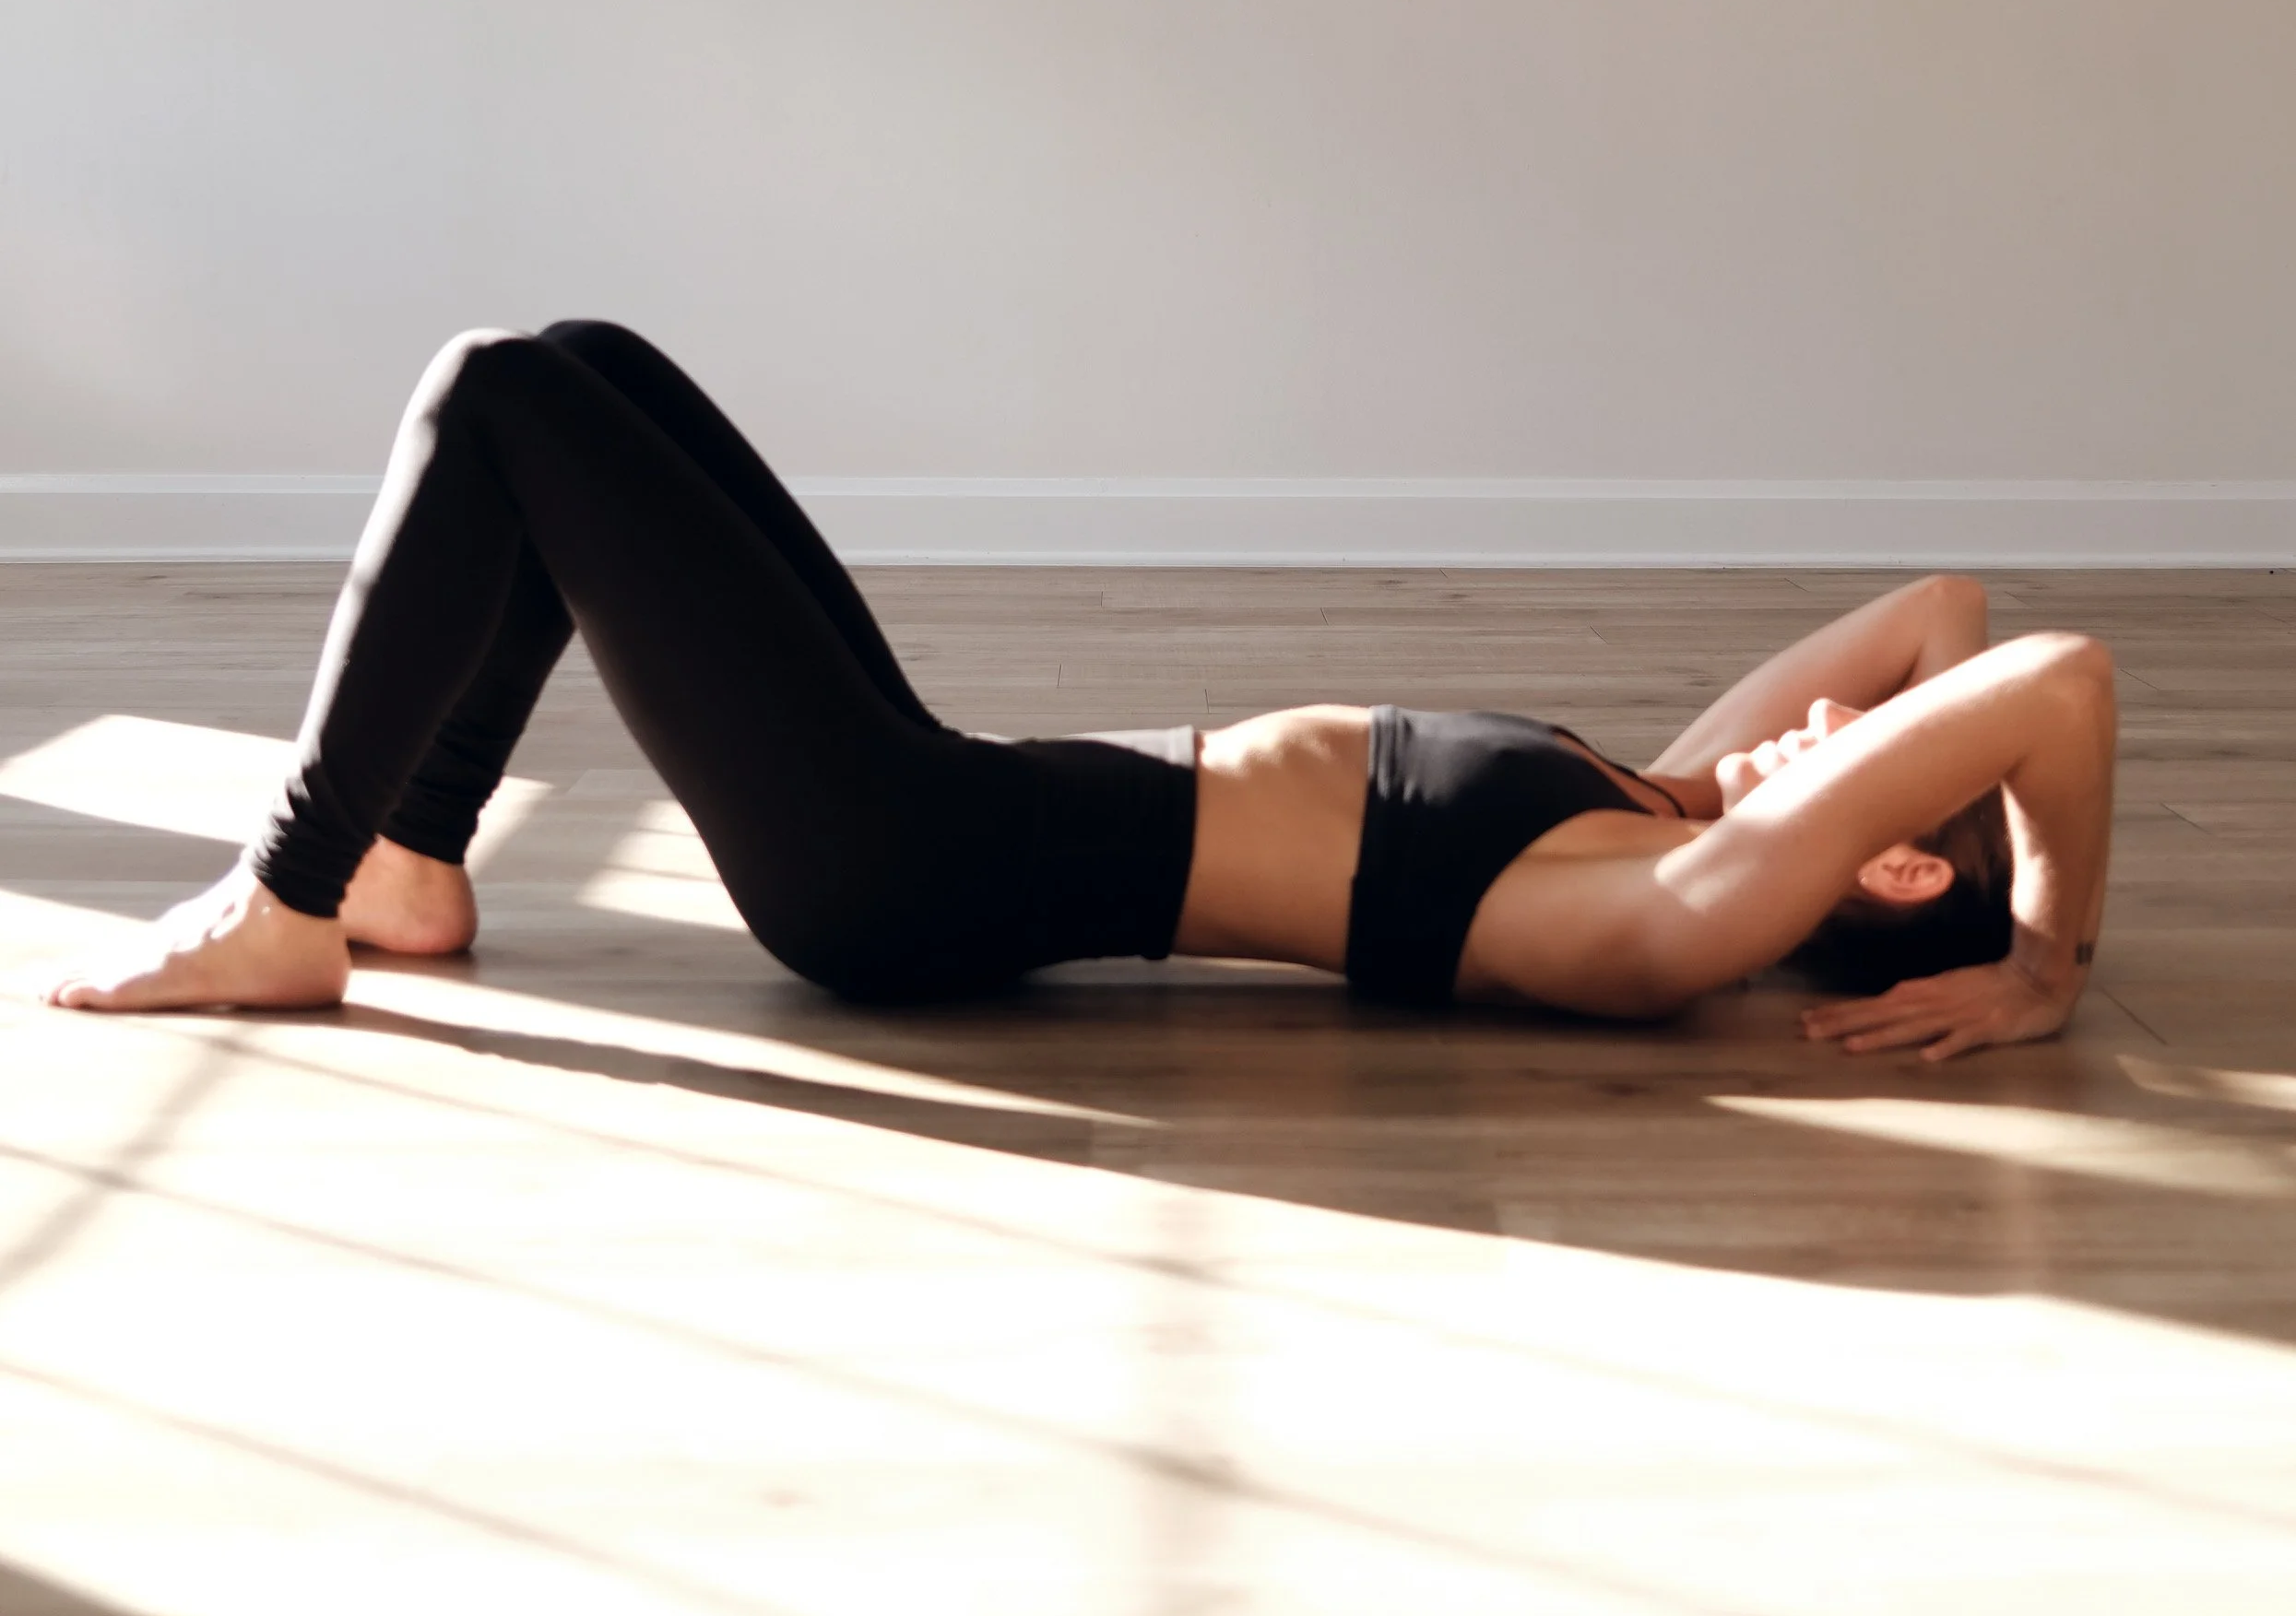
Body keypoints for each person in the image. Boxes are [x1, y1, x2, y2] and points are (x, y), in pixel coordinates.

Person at [41, 322, 2115, 1064]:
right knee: (593, 361)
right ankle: (407, 865)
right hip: (941, 792)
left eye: (1849, 763)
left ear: (1892, 874)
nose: (1818, 717)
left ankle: (288, 900)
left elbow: (2054, 676)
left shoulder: (1678, 915)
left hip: (900, 868)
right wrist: (1869, 791)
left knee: (502, 397)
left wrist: (2045, 964)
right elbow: (1947, 608)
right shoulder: (1659, 802)